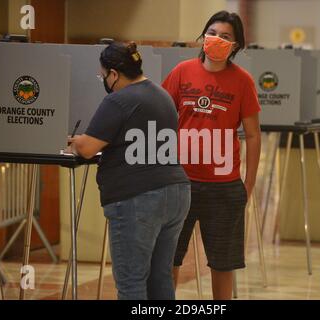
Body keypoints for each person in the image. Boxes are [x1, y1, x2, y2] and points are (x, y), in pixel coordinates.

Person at [68, 42, 191, 300]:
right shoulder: (162, 95)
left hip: (138, 199)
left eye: (104, 75)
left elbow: (89, 148)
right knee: (160, 278)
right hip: (177, 192)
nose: (104, 80)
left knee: (131, 281)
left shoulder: (118, 100)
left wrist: (74, 140)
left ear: (114, 74)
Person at [162, 11, 262, 300]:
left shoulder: (243, 81)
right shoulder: (182, 72)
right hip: (179, 183)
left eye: (226, 36)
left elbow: (253, 135)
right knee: (169, 258)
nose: (217, 39)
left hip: (224, 187)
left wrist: (249, 184)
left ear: (236, 46)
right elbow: (161, 118)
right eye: (213, 32)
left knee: (223, 262)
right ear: (204, 36)